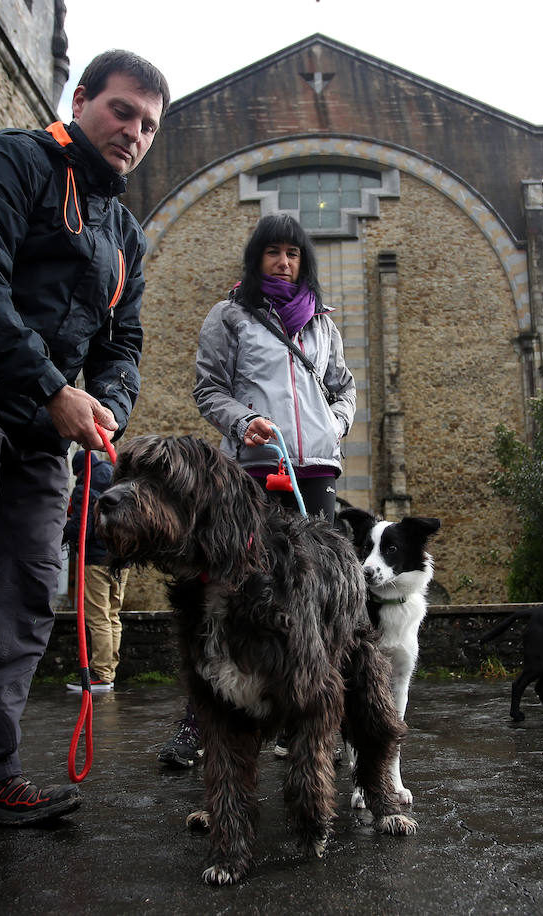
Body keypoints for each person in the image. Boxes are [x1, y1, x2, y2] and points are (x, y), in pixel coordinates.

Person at [0, 50, 169, 876]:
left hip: (46, 429)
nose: (134, 133)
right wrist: (51, 385)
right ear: (81, 100)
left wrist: (109, 402)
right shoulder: (11, 163)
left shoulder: (126, 238)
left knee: (26, 589)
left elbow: (124, 344)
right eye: (122, 111)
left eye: (149, 125)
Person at [157, 213, 357, 767]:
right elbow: (209, 389)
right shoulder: (229, 317)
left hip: (313, 471)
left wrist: (333, 426)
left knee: (309, 594)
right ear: (256, 258)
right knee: (227, 588)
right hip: (249, 471)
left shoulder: (322, 324)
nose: (284, 262)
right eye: (274, 253)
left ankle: (311, 720)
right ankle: (201, 722)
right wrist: (245, 422)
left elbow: (344, 387)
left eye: (293, 254)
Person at [64, 451, 125, 691]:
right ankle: (110, 671)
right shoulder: (117, 478)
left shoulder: (85, 487)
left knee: (98, 616)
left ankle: (100, 674)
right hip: (122, 560)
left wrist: (63, 537)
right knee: (113, 615)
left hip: (96, 559)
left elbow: (82, 525)